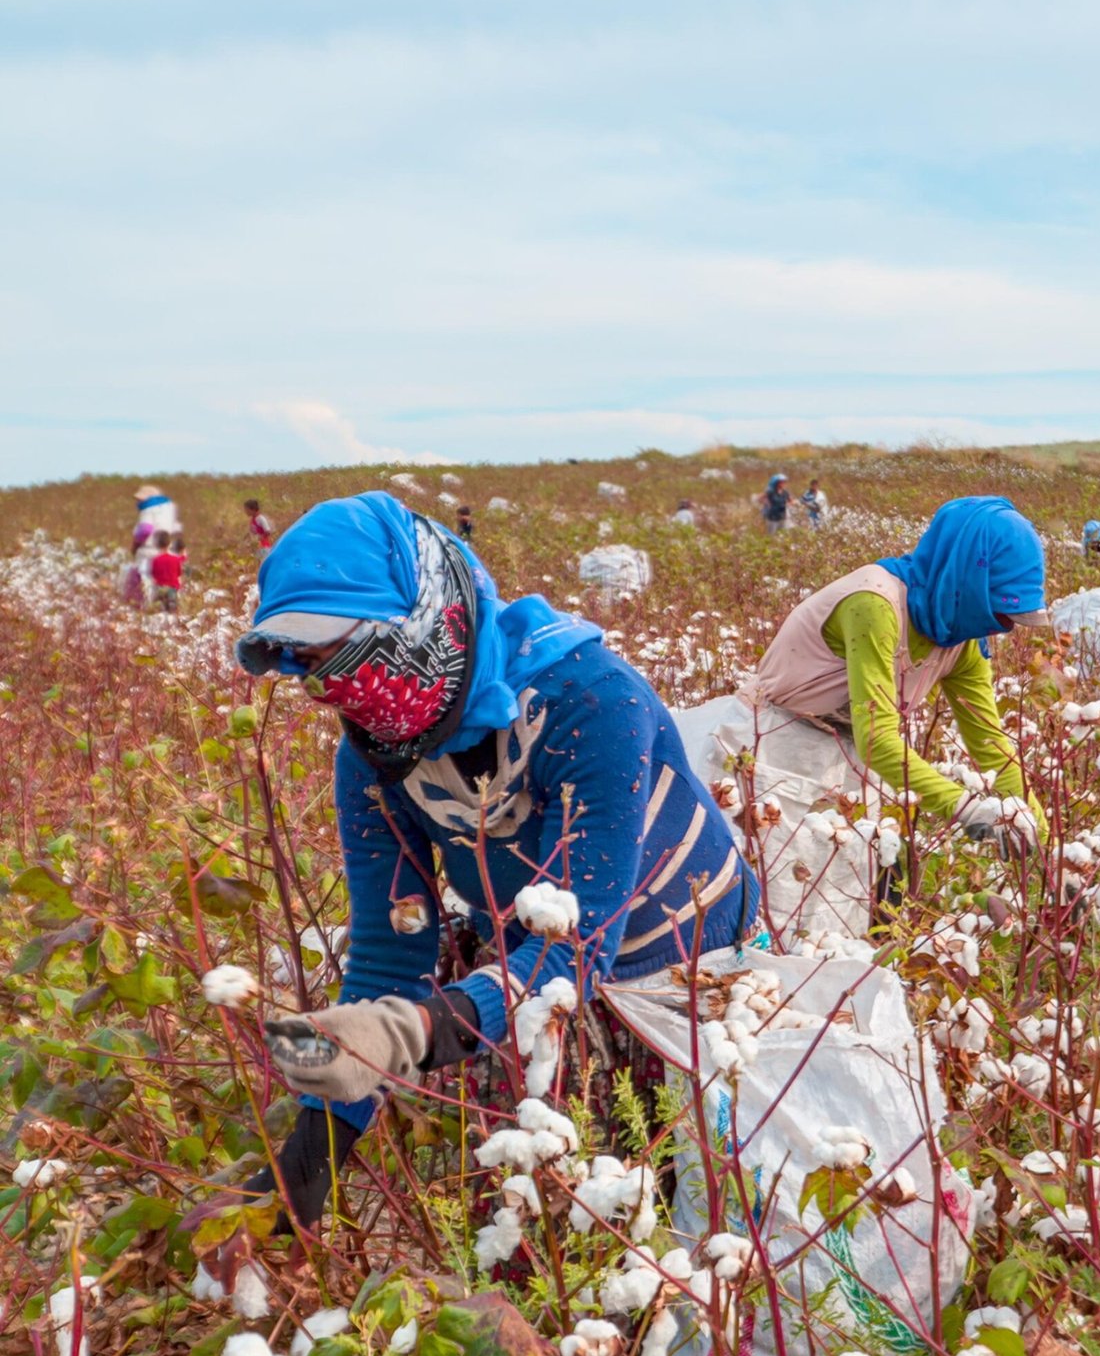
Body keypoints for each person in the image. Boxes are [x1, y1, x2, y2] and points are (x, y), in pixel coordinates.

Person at [226, 492, 759, 1231]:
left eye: (350, 658)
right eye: (312, 671)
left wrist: (413, 1032)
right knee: (528, 1213)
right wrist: (315, 1151)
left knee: (661, 1218)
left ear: (431, 619)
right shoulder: (373, 760)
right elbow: (390, 950)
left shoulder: (589, 701)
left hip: (679, 969)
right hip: (524, 973)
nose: (336, 692)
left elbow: (574, 940)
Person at [688, 496, 1049, 944]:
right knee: (766, 905)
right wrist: (967, 807)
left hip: (849, 760)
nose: (999, 626)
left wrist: (1041, 840)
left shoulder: (963, 640)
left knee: (839, 915)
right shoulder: (874, 605)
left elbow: (990, 744)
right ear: (967, 580)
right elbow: (878, 737)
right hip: (772, 747)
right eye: (997, 610)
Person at [149, 532, 184, 612]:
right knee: (173, 613)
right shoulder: (176, 559)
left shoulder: (156, 560)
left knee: (158, 613)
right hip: (172, 590)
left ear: (157, 545)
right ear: (169, 544)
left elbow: (154, 575)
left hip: (160, 589)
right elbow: (179, 573)